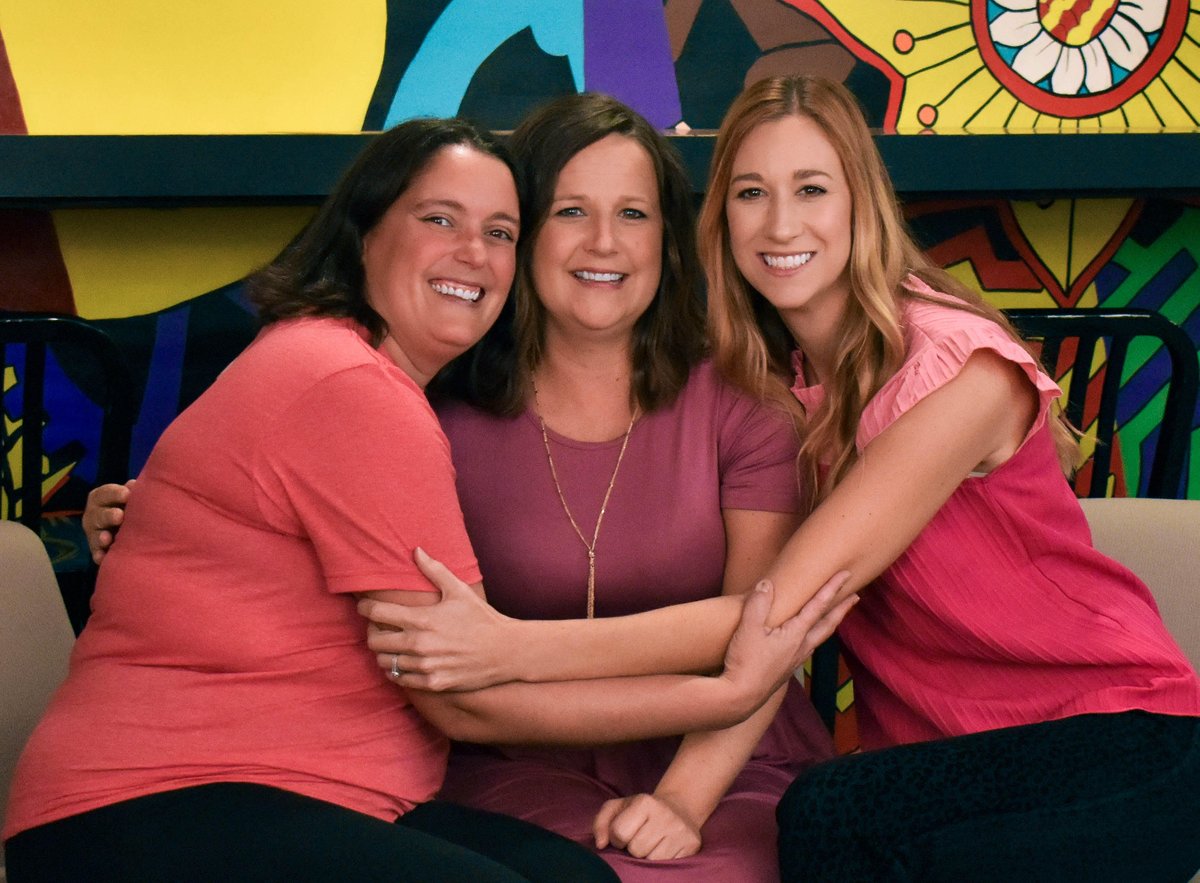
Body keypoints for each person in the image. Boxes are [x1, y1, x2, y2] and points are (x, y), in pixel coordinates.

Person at [81, 94, 853, 883]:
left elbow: (768, 619)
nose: (604, 241)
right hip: (511, 757)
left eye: (633, 213)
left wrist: (685, 783)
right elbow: (275, 489)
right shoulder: (423, 400)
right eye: (569, 211)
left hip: (720, 756)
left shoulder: (747, 406)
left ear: (670, 240)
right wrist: (155, 514)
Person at [3, 117, 623, 883]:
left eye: (500, 233)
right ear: (364, 235)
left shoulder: (357, 370)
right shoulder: (348, 382)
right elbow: (466, 693)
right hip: (141, 803)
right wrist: (721, 683)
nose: (474, 251)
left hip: (308, 789)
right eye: (440, 219)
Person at [696, 75, 1200, 881]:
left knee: (830, 812)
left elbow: (783, 605)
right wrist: (681, 799)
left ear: (862, 205)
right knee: (827, 808)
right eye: (752, 192)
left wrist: (519, 655)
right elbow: (763, 631)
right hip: (959, 766)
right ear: (721, 217)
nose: (781, 222)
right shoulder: (776, 398)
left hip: (1124, 739)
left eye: (812, 188)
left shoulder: (957, 367)